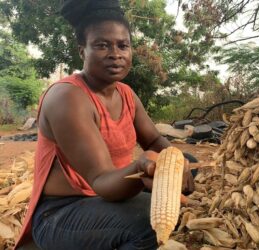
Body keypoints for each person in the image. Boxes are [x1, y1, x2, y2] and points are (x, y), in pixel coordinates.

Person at [15, 1, 195, 249]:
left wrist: (173, 161)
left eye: (123, 45)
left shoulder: (126, 94)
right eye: (102, 45)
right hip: (61, 213)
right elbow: (101, 181)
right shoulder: (68, 98)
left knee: (188, 163)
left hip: (107, 197)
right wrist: (143, 168)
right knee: (144, 218)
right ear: (82, 51)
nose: (115, 54)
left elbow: (153, 141)